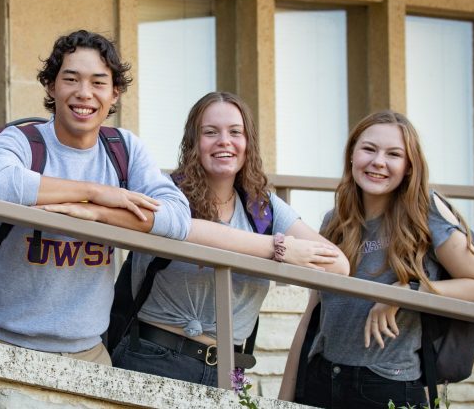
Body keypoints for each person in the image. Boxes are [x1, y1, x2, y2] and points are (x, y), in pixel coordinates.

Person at [0, 31, 338, 365]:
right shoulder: (22, 141)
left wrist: (99, 214)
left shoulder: (125, 150)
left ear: (115, 93)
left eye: (99, 82)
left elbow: (176, 218)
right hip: (2, 340)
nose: (84, 93)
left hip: (87, 351)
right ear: (51, 86)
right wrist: (97, 192)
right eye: (70, 79)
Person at [110, 92, 349, 385]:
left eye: (235, 132)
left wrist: (293, 250)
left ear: (248, 144)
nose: (224, 141)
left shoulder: (264, 209)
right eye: (210, 132)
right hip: (152, 359)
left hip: (229, 373)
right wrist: (279, 248)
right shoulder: (166, 194)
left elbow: (339, 266)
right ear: (193, 143)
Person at [281, 111, 474, 408]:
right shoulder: (334, 222)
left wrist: (402, 293)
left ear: (409, 167)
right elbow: (313, 315)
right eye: (369, 149)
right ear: (352, 155)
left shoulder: (426, 212)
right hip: (320, 378)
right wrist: (286, 396)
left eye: (394, 154)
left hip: (385, 384)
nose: (378, 162)